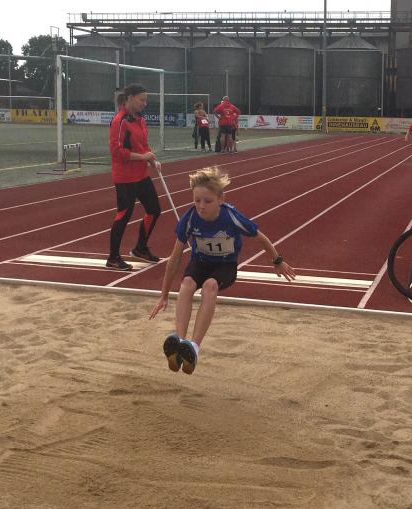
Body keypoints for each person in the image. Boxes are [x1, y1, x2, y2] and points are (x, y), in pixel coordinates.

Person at [149, 166, 296, 374]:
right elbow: (174, 259)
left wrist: (277, 260)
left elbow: (260, 238)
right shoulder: (189, 218)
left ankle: (194, 348)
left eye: (207, 201)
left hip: (225, 266)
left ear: (221, 199)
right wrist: (164, 295)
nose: (201, 206)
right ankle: (180, 345)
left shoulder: (231, 217)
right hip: (200, 263)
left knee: (209, 286)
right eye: (197, 201)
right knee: (187, 283)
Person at [107, 83, 162, 271]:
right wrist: (142, 157)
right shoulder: (119, 121)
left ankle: (140, 248)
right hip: (125, 177)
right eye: (141, 100)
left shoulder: (140, 119)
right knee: (124, 214)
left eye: (146, 100)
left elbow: (143, 145)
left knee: (154, 210)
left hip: (141, 174)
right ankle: (113, 257)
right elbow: (117, 152)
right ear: (129, 98)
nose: (144, 103)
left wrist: (152, 160)